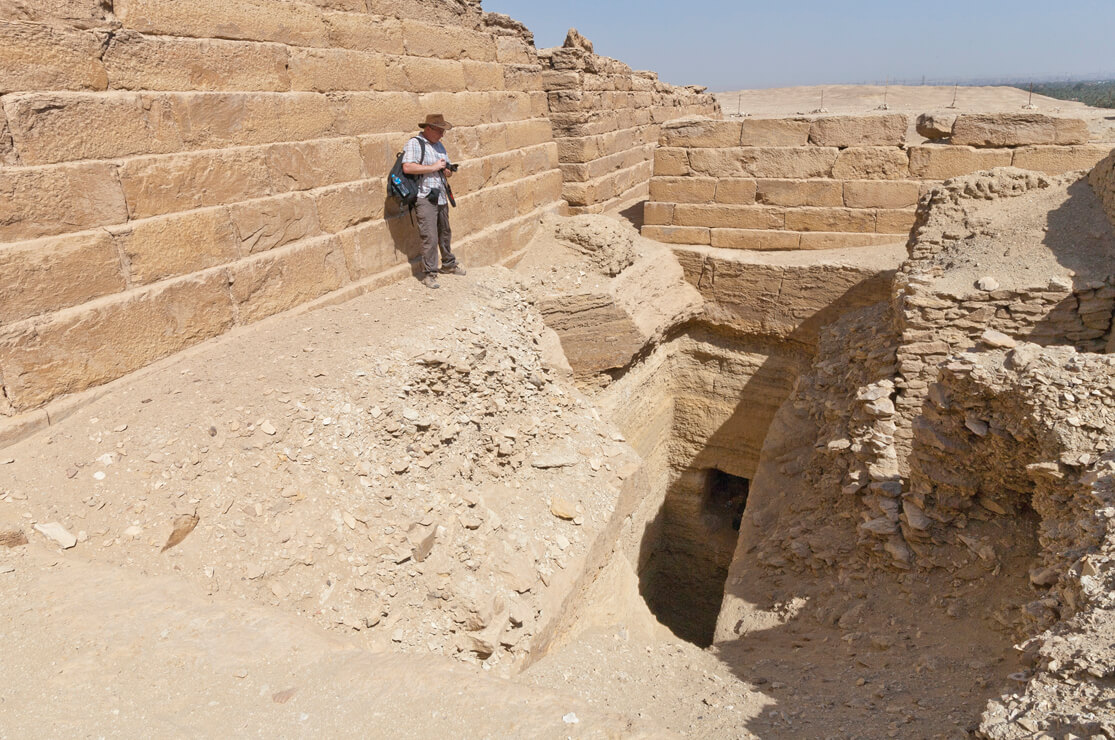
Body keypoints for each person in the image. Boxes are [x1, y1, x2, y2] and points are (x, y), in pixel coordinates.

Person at [402, 114, 466, 289]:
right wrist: (433, 167)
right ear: (428, 128)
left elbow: (446, 168)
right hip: (424, 197)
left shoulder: (439, 145)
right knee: (429, 236)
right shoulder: (415, 143)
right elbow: (407, 167)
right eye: (439, 131)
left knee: (445, 232)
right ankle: (430, 273)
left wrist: (447, 171)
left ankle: (448, 264)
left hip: (440, 195)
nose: (442, 135)